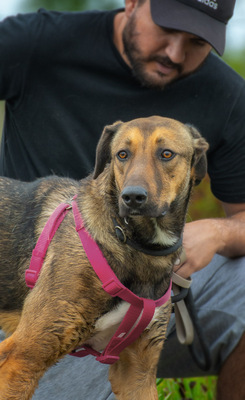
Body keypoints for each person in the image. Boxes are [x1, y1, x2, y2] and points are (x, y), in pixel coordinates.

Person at [0, 0, 245, 398]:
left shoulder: (228, 94)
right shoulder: (39, 43)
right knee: (24, 366)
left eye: (197, 42)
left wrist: (218, 231)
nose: (175, 53)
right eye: (167, 28)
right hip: (37, 299)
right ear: (132, 2)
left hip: (156, 288)